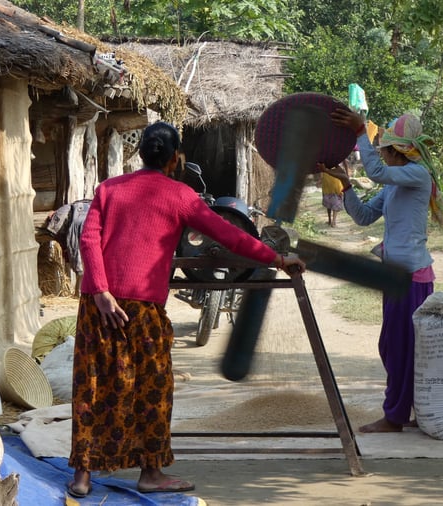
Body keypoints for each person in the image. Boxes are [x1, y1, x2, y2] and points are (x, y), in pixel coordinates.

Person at [67, 121, 305, 498]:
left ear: (141, 153)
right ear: (175, 158)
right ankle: (150, 472)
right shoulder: (180, 196)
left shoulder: (109, 189)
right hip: (143, 309)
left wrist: (100, 290)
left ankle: (82, 475)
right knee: (152, 389)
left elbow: (89, 237)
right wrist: (277, 258)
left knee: (93, 386)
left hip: (99, 308)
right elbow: (228, 234)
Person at [321, 109, 443, 434]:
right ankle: (413, 411)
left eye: (384, 150)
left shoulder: (417, 175)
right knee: (395, 346)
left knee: (400, 347)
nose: (381, 155)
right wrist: (346, 186)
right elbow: (363, 217)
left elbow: (375, 172)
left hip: (410, 277)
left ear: (397, 151)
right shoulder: (395, 184)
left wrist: (361, 130)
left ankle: (395, 417)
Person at [318, 161, 347, 227]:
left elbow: (320, 167)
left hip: (328, 179)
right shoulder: (339, 155)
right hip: (335, 178)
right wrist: (346, 174)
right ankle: (333, 221)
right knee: (335, 201)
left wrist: (321, 178)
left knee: (329, 201)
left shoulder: (325, 155)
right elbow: (345, 164)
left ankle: (330, 220)